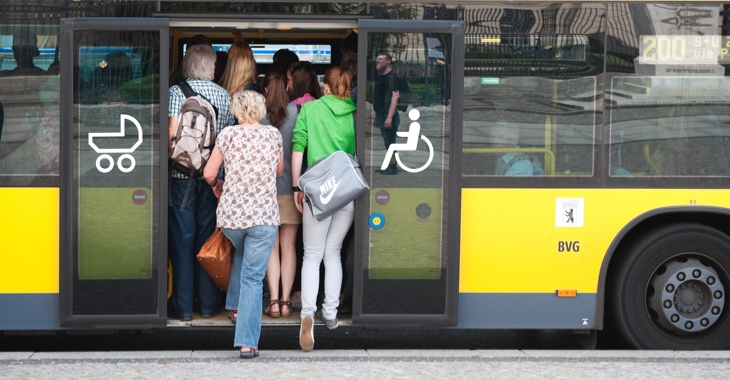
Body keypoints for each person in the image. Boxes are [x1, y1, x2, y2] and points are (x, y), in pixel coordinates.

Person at [203, 90, 283, 359]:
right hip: (262, 217)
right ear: (260, 109)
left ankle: (235, 306)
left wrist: (218, 186)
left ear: (237, 111)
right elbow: (279, 171)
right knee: (252, 277)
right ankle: (248, 342)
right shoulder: (273, 135)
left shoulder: (227, 134)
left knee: (240, 252)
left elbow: (209, 173)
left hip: (232, 218)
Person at [167, 43, 235, 322]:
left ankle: (183, 308)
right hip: (211, 180)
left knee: (181, 240)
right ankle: (208, 305)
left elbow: (172, 134)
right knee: (207, 240)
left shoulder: (175, 92)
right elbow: (225, 140)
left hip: (179, 177)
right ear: (209, 67)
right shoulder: (222, 95)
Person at [291, 66, 356, 352]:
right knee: (333, 252)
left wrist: (297, 186)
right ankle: (330, 311)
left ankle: (307, 313)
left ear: (325, 87)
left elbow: (298, 148)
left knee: (312, 254)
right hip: (345, 192)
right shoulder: (357, 112)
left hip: (317, 191)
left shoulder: (311, 109)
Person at [261, 71, 300, 319]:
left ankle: (273, 301)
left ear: (265, 90)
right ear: (287, 88)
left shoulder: (259, 117)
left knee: (271, 248)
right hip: (290, 190)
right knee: (289, 246)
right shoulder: (296, 113)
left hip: (265, 192)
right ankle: (286, 302)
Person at [373, 53, 400, 175]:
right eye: (377, 59)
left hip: (388, 116)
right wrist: (376, 116)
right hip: (381, 114)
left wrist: (389, 117)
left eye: (380, 59)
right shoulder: (380, 78)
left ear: (388, 61)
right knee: (387, 142)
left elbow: (395, 97)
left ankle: (392, 167)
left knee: (390, 143)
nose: (377, 61)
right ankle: (390, 165)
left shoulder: (392, 78)